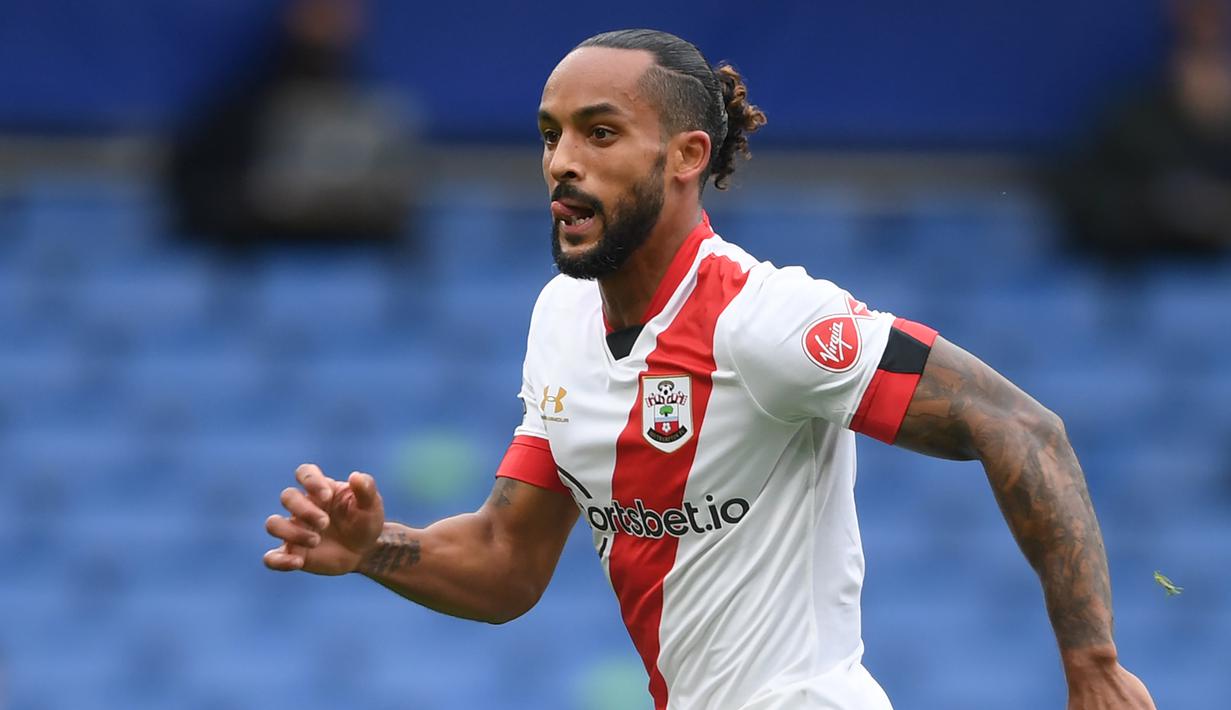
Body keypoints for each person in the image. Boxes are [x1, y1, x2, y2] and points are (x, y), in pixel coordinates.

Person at [263, 29, 1156, 710]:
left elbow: (1018, 425)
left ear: (687, 156)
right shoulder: (561, 318)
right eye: (549, 135)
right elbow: (506, 562)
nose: (562, 162)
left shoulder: (767, 319)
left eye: (599, 133)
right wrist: (374, 550)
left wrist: (1092, 663)